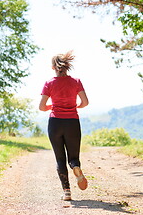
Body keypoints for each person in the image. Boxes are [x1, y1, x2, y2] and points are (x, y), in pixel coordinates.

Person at [39, 51, 89, 201]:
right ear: (67, 66)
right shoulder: (76, 81)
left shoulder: (49, 83)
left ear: (53, 67)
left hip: (55, 123)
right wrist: (75, 107)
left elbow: (42, 107)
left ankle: (66, 192)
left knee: (60, 159)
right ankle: (75, 166)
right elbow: (85, 102)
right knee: (73, 157)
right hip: (72, 122)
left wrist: (51, 107)